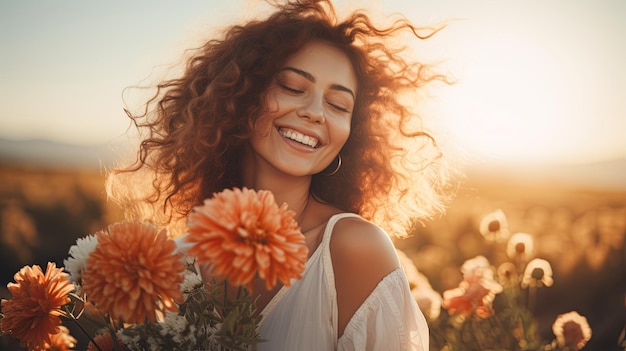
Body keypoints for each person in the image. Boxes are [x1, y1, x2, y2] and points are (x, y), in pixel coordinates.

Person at [108, 0, 454, 350]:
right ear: (240, 95)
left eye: (338, 105)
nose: (316, 113)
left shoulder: (352, 249)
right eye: (291, 86)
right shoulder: (178, 260)